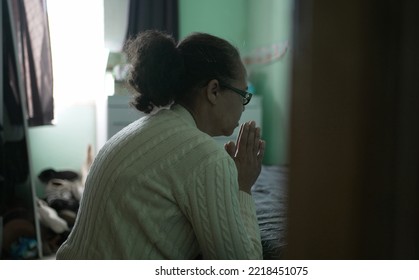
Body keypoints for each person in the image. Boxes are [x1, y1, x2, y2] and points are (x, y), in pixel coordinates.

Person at [56, 30, 265, 259]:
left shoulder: (134, 132)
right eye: (243, 94)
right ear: (214, 90)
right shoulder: (208, 159)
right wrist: (242, 187)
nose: (244, 106)